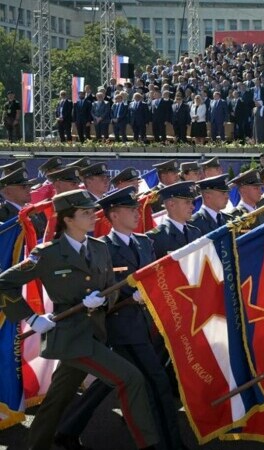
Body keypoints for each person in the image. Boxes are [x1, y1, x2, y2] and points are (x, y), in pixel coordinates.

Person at [0, 189, 160, 450]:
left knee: (57, 400)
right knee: (130, 378)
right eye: (85, 213)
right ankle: (149, 445)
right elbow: (5, 283)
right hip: (71, 337)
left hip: (95, 331)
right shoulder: (47, 254)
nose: (93, 216)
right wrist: (32, 318)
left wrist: (103, 300)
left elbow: (112, 286)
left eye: (92, 211)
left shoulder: (99, 248)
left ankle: (35, 445)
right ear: (67, 219)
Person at [54, 187, 184, 450]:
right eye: (130, 210)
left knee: (108, 382)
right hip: (121, 327)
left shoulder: (145, 242)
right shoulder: (103, 248)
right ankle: (170, 444)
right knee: (156, 384)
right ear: (113, 215)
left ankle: (67, 429)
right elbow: (99, 288)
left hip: (147, 325)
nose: (137, 214)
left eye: (137, 209)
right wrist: (129, 296)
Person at [147, 181, 202, 258]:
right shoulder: (156, 237)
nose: (193, 207)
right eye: (187, 202)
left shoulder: (195, 232)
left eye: (192, 202)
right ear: (171, 204)